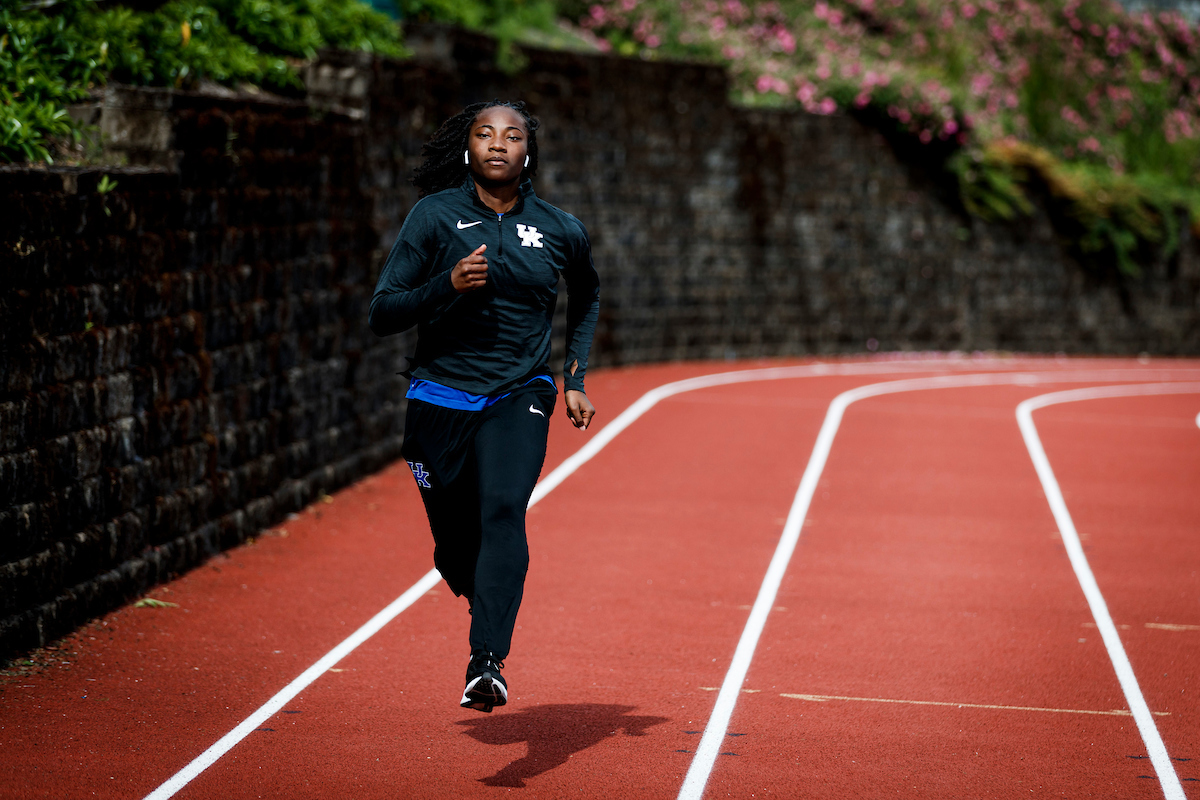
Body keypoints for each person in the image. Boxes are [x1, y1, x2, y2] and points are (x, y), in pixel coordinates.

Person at [368, 100, 600, 713]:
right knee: (454, 549)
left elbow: (588, 294)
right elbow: (382, 311)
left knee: (503, 510)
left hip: (519, 392)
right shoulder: (433, 217)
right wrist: (446, 284)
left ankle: (486, 663)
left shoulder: (559, 228)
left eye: (513, 135)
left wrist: (573, 375)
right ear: (468, 147)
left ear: (529, 151)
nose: (499, 143)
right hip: (439, 397)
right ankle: (483, 589)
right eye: (485, 133)